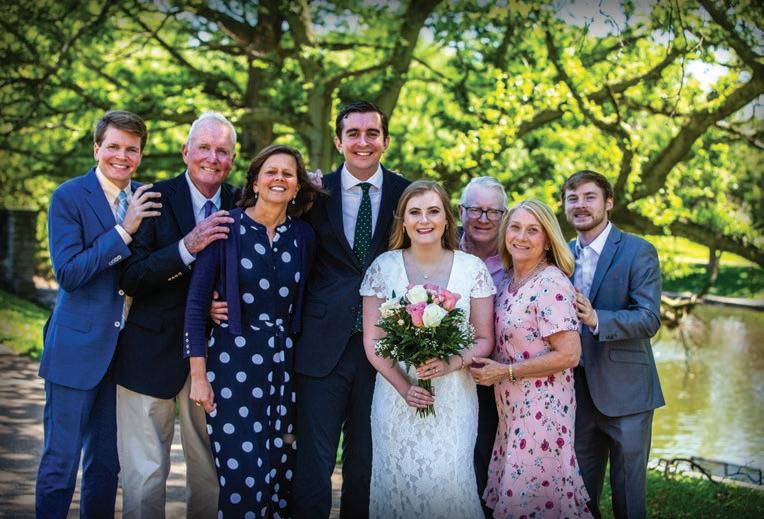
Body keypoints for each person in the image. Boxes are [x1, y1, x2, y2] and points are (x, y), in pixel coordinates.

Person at [182, 144, 321, 517]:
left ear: (296, 187)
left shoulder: (303, 236)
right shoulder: (226, 227)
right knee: (243, 476)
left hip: (285, 371)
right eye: (271, 172)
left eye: (288, 174)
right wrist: (199, 377)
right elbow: (196, 306)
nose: (279, 179)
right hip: (232, 369)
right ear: (255, 182)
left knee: (280, 474)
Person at [114, 112, 240, 518]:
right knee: (145, 474)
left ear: (233, 159)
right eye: (204, 147)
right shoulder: (152, 198)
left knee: (211, 471)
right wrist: (186, 247)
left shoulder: (244, 202)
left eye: (222, 151)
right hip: (148, 353)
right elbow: (131, 277)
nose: (212, 158)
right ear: (186, 152)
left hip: (216, 359)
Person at [36, 110, 160, 517]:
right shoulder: (69, 197)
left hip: (124, 355)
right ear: (96, 148)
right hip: (75, 349)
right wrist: (124, 231)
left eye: (132, 149)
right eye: (113, 147)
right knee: (61, 463)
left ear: (140, 155)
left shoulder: (147, 198)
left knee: (106, 466)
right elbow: (69, 274)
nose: (122, 156)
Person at [292, 101, 410, 519]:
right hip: (320, 346)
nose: (363, 142)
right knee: (313, 462)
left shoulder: (406, 194)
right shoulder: (311, 192)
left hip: (385, 349)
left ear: (385, 141)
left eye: (372, 133)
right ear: (339, 141)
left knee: (367, 464)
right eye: (353, 134)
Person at [361, 180, 495, 519]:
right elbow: (374, 341)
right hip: (396, 397)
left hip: (454, 399)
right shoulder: (383, 267)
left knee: (450, 484)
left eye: (433, 211)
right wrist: (405, 387)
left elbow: (484, 339)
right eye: (415, 212)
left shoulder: (472, 269)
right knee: (396, 485)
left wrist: (451, 363)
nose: (424, 220)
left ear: (447, 219)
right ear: (403, 220)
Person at [470, 199, 592, 518]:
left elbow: (570, 354)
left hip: (543, 411)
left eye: (532, 230)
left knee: (534, 502)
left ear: (547, 240)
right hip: (512, 411)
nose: (521, 237)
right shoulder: (508, 280)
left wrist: (505, 372)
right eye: (515, 227)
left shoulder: (551, 283)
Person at [562, 170, 663, 519]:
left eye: (589, 197)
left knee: (628, 499)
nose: (580, 205)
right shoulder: (561, 254)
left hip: (627, 395)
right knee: (579, 497)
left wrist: (597, 319)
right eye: (572, 198)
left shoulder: (638, 251)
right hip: (576, 394)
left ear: (609, 203)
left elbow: (649, 318)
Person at [458, 176, 507, 514]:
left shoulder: (518, 254)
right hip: (446, 375)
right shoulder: (442, 248)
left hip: (498, 377)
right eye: (475, 209)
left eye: (493, 212)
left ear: (504, 216)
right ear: (461, 211)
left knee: (488, 460)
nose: (483, 218)